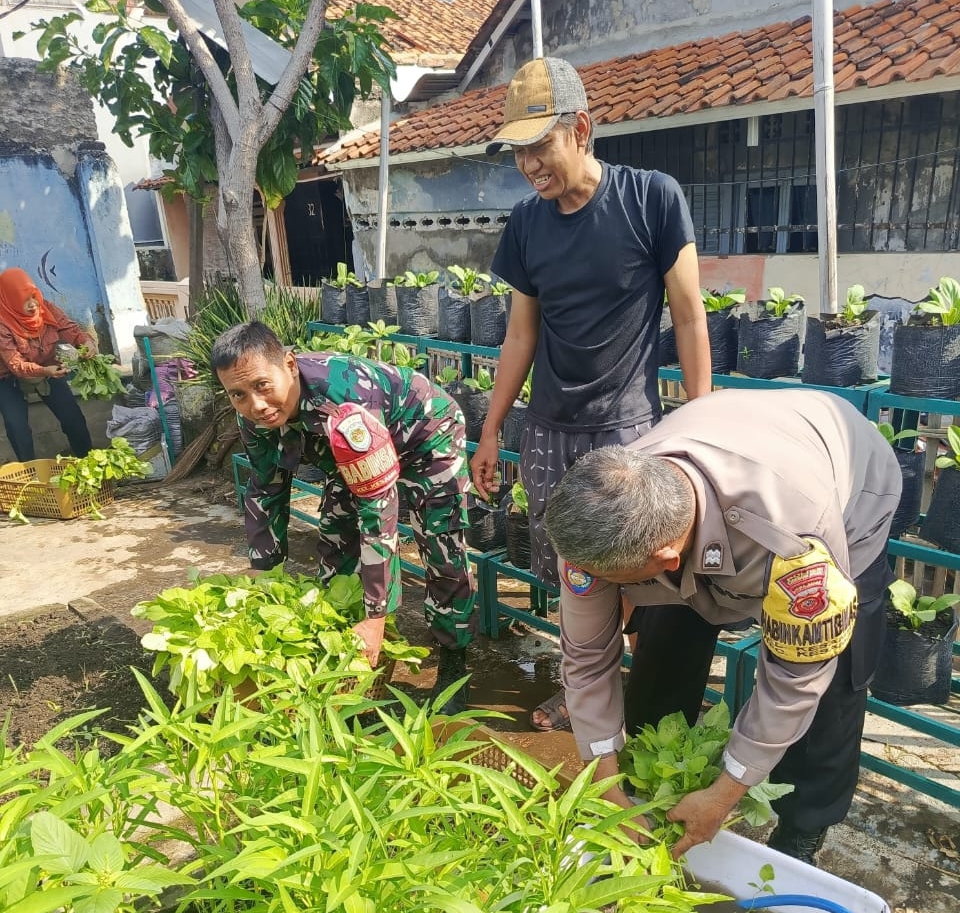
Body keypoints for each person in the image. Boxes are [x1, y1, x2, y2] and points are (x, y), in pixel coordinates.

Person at [543, 388, 901, 865]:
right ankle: (647, 790)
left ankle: (803, 829)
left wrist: (726, 793)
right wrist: (604, 781)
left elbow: (794, 682)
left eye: (616, 583)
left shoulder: (796, 546)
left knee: (829, 685)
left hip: (849, 491)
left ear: (665, 560)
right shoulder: (602, 515)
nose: (602, 587)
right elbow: (586, 659)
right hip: (728, 449)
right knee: (662, 649)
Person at [470, 56, 712, 732]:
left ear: (580, 128)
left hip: (626, 431)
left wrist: (700, 424)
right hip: (550, 432)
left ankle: (636, 696)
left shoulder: (651, 198)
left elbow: (689, 315)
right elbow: (520, 336)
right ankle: (588, 691)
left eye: (539, 145)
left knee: (641, 577)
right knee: (575, 578)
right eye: (518, 151)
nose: (528, 165)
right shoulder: (527, 223)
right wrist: (493, 429)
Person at [211, 321, 476, 713]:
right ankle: (350, 654)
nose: (256, 405)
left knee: (441, 546)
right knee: (336, 540)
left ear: (288, 364)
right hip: (351, 457)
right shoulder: (254, 417)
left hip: (424, 435)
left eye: (262, 386)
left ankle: (454, 663)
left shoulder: (346, 404)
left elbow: (378, 513)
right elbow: (266, 488)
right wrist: (264, 574)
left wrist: (376, 615)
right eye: (238, 395)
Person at [0, 267, 97, 462]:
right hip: (8, 377)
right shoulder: (2, 322)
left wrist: (86, 342)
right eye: (24, 300)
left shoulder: (46, 308)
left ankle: (88, 465)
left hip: (48, 370)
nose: (32, 304)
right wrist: (45, 370)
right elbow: (16, 364)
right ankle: (31, 476)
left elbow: (69, 328)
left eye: (34, 296)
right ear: (9, 299)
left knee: (74, 419)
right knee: (18, 428)